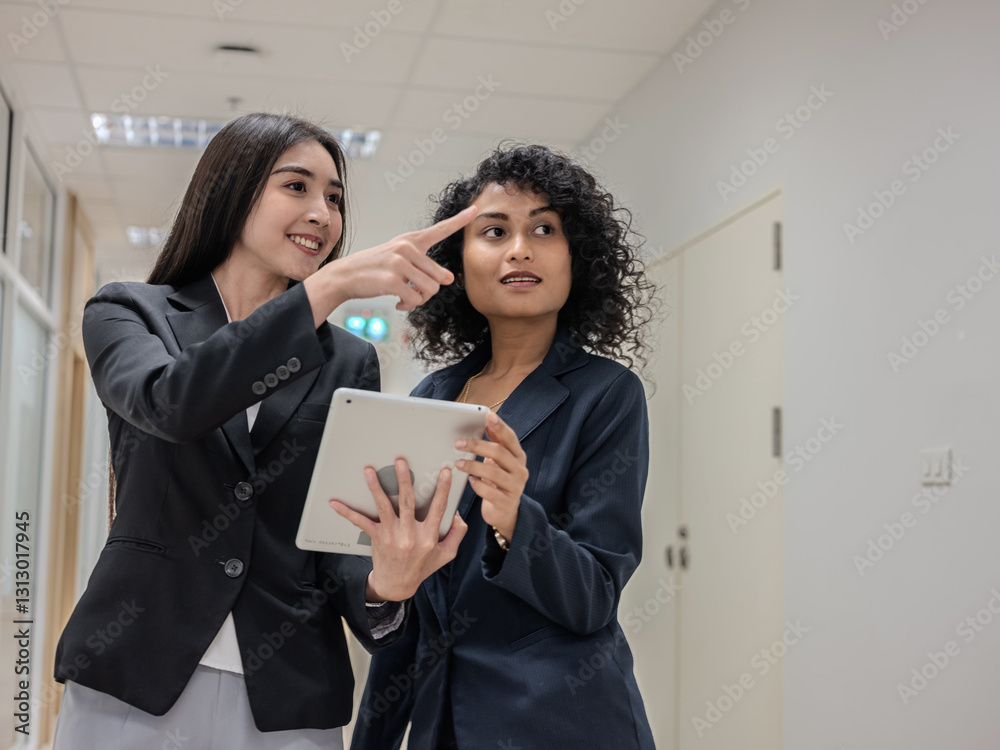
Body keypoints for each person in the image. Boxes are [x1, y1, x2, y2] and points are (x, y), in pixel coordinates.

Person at [51, 112, 478, 749]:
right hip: (134, 670)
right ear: (230, 190)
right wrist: (327, 289)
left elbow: (331, 532)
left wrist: (387, 583)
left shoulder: (348, 360)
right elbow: (173, 404)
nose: (323, 213)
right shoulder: (128, 312)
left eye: (334, 197)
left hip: (287, 693)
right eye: (296, 186)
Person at [348, 144, 658, 749]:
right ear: (459, 264)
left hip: (560, 721)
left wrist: (517, 519)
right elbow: (412, 593)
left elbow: (593, 598)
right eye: (494, 231)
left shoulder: (606, 394)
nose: (520, 248)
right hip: (442, 721)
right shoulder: (431, 394)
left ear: (578, 258)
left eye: (544, 228)